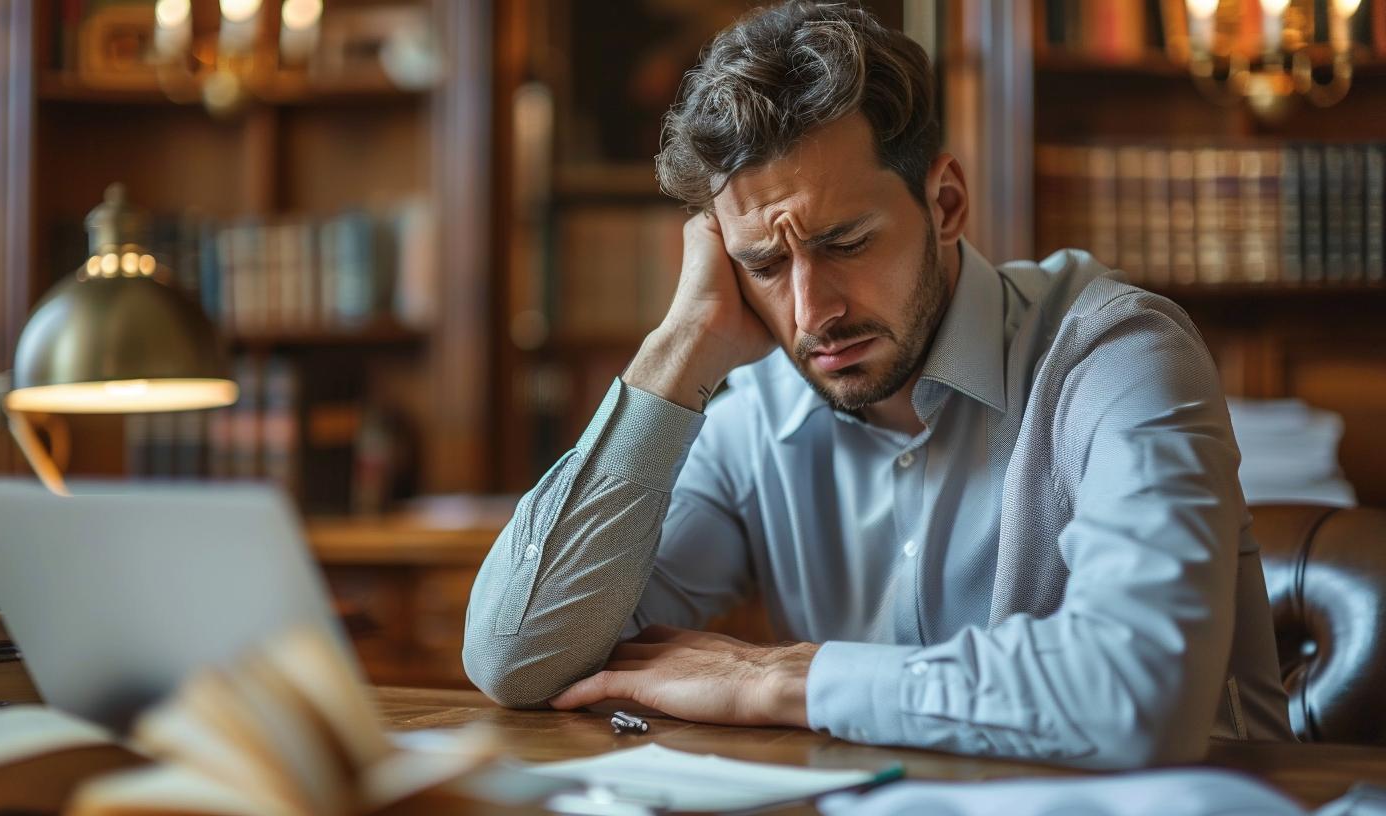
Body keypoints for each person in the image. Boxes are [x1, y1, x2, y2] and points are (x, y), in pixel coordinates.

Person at [464, 0, 1293, 769]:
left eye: (846, 242)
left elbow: (1137, 690)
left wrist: (788, 681)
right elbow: (516, 656)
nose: (810, 309)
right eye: (763, 263)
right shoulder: (755, 413)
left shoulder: (1116, 355)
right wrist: (678, 346)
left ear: (947, 202)